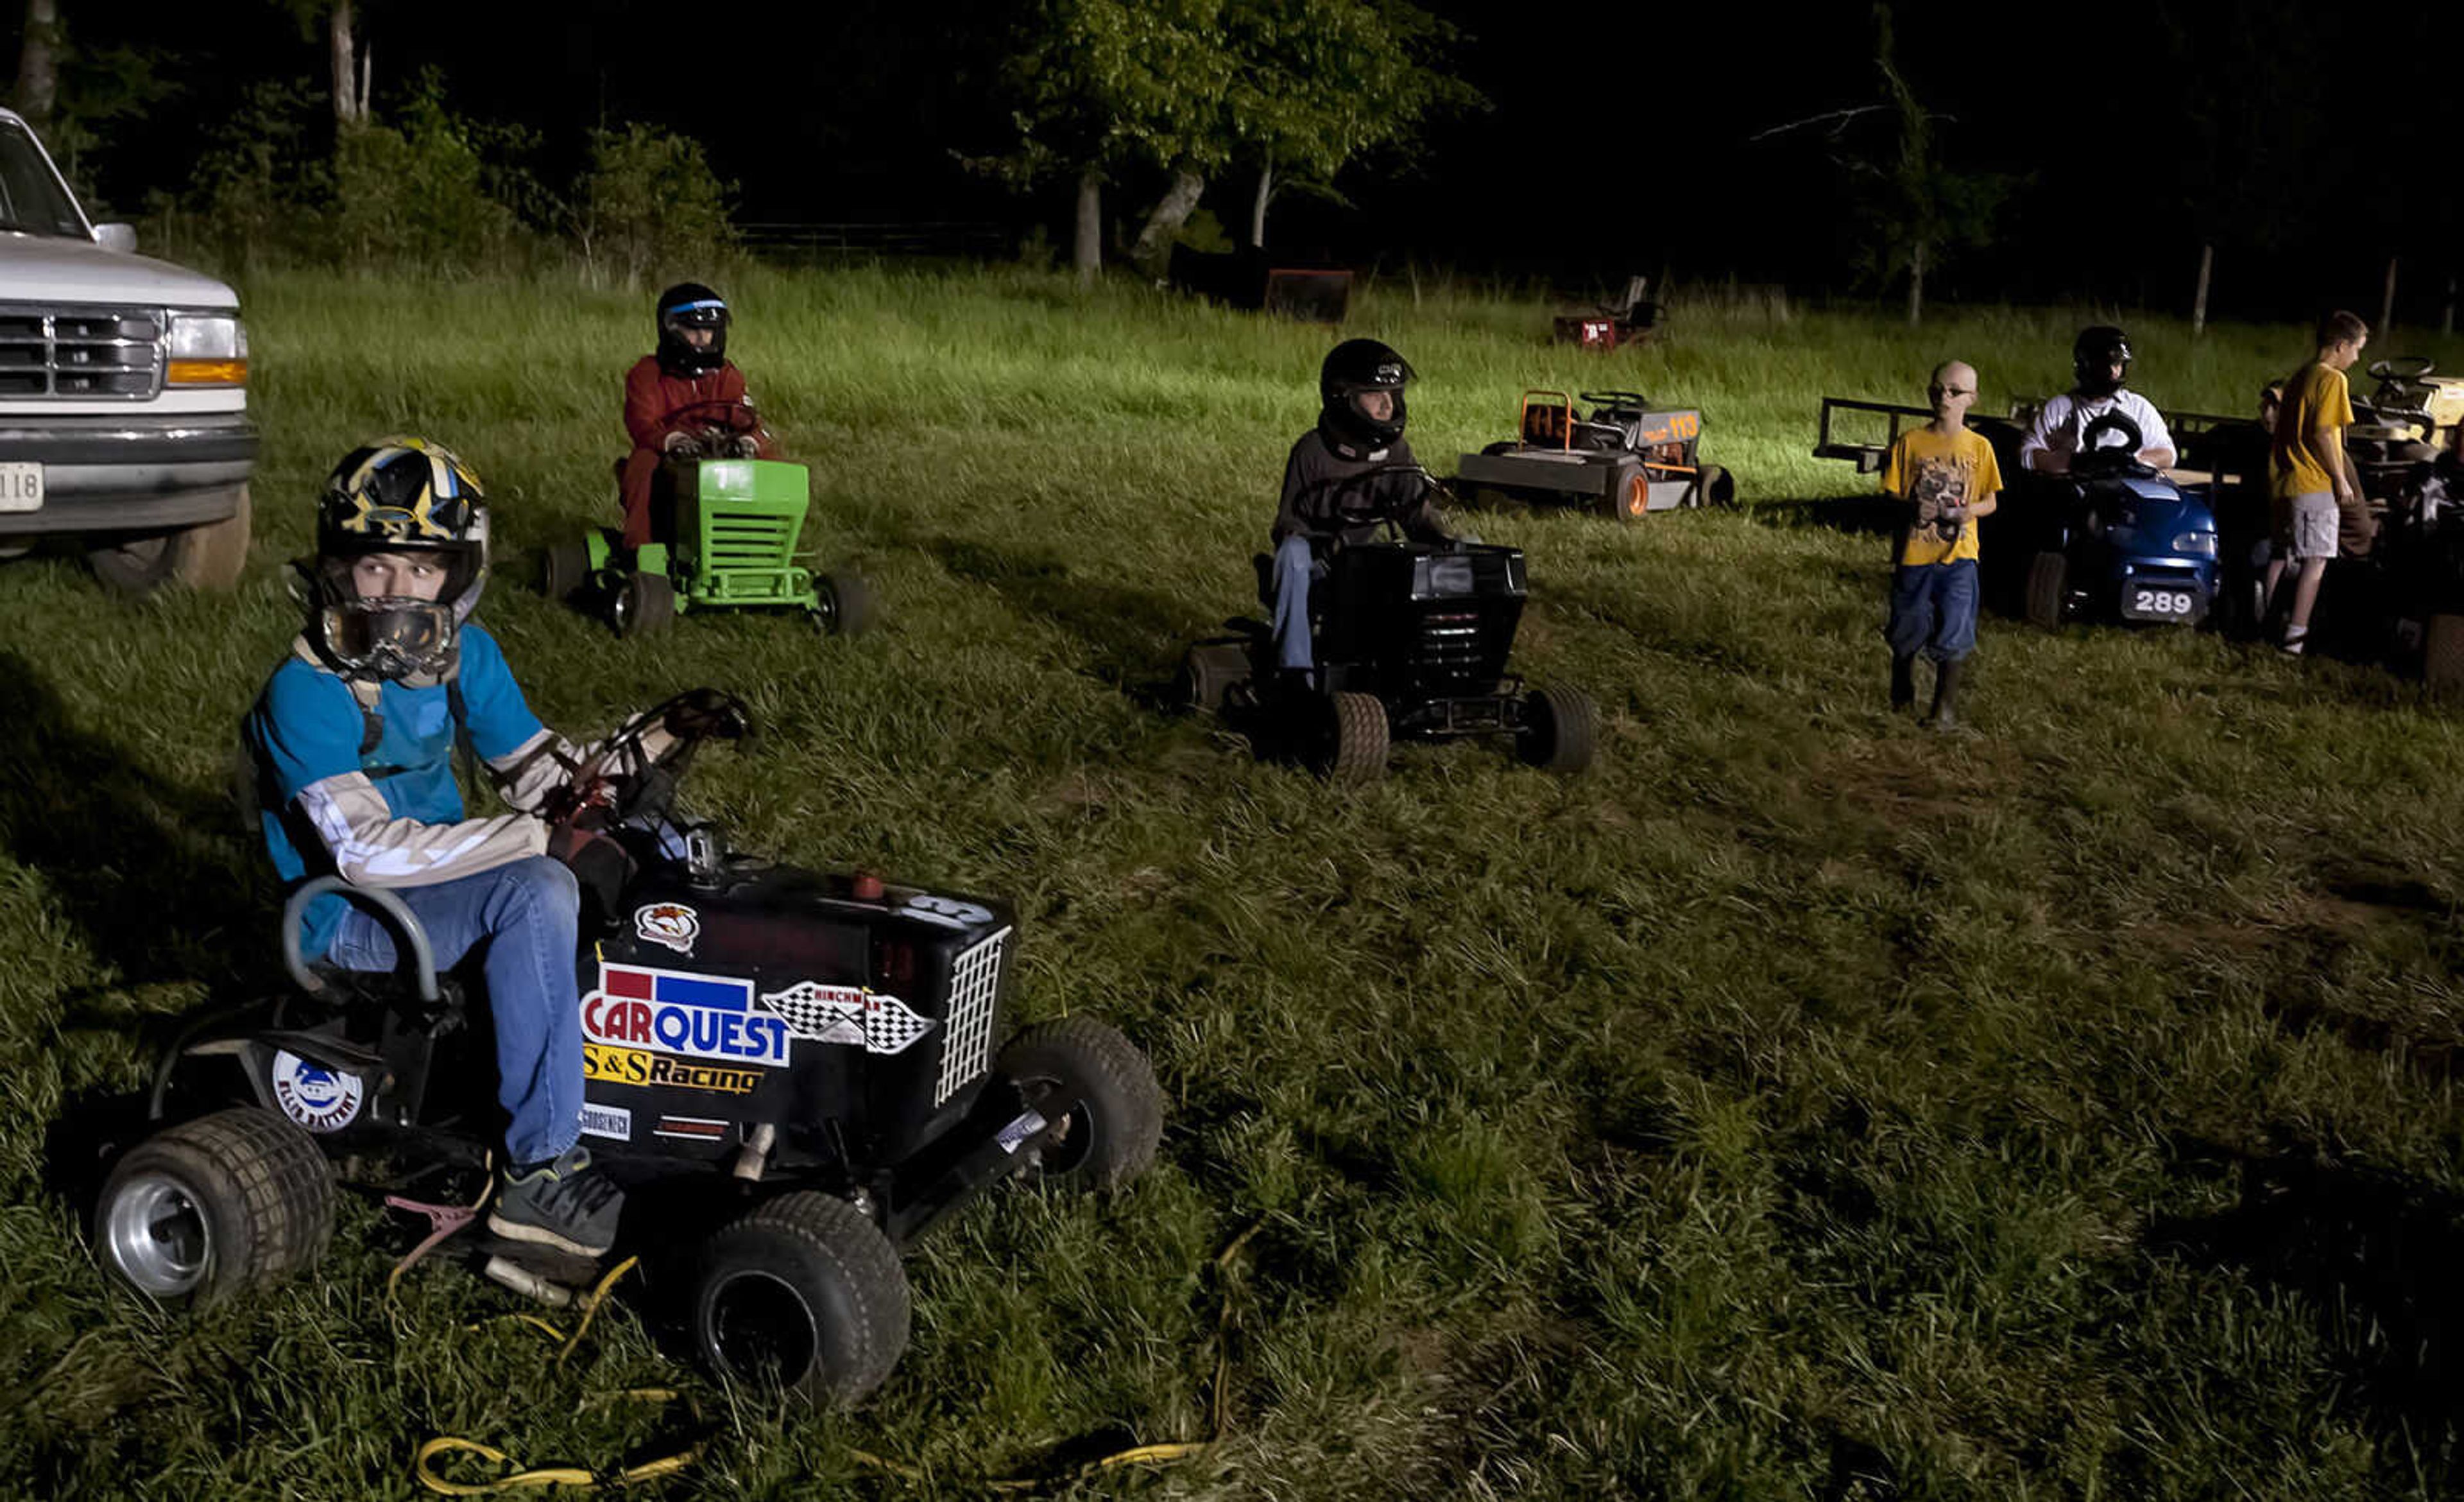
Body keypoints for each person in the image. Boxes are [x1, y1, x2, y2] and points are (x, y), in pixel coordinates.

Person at [244, 439, 655, 1259]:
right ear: (338, 568)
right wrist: (538, 841)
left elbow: (535, 769)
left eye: (422, 569)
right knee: (536, 891)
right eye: (375, 567)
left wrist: (623, 781)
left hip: (436, 881)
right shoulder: (305, 691)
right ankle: (541, 1174)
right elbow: (364, 854)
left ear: (458, 575)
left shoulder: (467, 656)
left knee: (630, 869)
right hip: (346, 914)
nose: (398, 592)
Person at [1267, 338, 1451, 684]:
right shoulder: (1312, 451)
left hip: (1365, 559)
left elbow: (1414, 513)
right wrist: (1316, 542)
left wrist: (1444, 541)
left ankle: (1432, 672)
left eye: (1393, 395)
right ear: (1343, 398)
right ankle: (1296, 672)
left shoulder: (1397, 451)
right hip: (1319, 562)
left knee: (1460, 557)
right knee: (1292, 553)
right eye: (1375, 396)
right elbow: (1288, 523)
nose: (1387, 406)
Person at [1880, 360, 2003, 728]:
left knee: (1955, 625)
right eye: (1938, 389)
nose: (1943, 397)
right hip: (1916, 554)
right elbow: (1890, 495)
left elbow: (1991, 500)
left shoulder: (1979, 448)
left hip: (1960, 556)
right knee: (1907, 624)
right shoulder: (1911, 443)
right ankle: (1901, 694)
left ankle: (1943, 709)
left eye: (1954, 391)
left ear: (1972, 399)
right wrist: (1913, 508)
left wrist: (1968, 512)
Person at [619, 282, 779, 550]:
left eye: (709, 331)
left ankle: (764, 545)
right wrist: (673, 440)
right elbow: (641, 423)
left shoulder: (728, 374)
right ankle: (641, 550)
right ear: (670, 330)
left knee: (771, 461)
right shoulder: (647, 374)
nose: (703, 339)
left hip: (720, 443)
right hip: (671, 450)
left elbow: (749, 419)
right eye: (693, 331)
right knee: (642, 465)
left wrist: (751, 441)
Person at [2262, 310, 2370, 655]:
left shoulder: (2299, 377)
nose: (2357, 358)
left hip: (2286, 480)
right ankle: (2295, 639)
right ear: (2341, 346)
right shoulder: (2332, 380)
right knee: (2317, 560)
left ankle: (2267, 625)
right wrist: (2340, 478)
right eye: (2357, 349)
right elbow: (2325, 432)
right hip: (2313, 482)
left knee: (2283, 555)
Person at [2017, 325, 2178, 474]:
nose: (2114, 372)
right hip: (2076, 490)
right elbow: (2028, 455)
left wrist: (2133, 461)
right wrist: (2072, 462)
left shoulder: (2138, 407)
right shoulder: (2059, 408)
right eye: (2106, 365)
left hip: (2126, 490)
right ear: (2086, 365)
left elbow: (2168, 454)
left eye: (2118, 365)